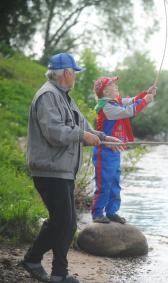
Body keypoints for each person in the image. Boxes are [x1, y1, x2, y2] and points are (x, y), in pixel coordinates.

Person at [21, 53, 121, 283]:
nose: (75, 76)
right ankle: (33, 259)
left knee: (66, 222)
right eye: (74, 72)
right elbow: (54, 132)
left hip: (62, 169)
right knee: (62, 221)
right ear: (66, 73)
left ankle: (58, 273)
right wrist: (83, 135)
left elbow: (83, 126)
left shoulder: (64, 96)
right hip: (49, 169)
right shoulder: (48, 96)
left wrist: (105, 138)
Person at [91, 76, 157, 224]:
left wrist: (146, 93)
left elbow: (133, 100)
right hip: (104, 152)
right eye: (114, 85)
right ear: (106, 91)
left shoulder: (116, 101)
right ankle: (97, 214)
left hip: (115, 152)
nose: (117, 87)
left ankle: (112, 211)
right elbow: (129, 111)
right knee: (104, 184)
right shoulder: (106, 107)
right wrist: (145, 101)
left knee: (115, 183)